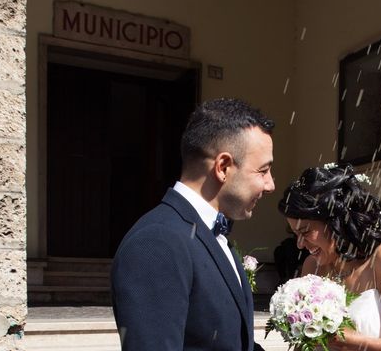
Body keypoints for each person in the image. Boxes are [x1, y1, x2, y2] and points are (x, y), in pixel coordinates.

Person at [111, 98, 275, 351]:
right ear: (223, 167)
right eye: (263, 171)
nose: (270, 184)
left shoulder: (207, 232)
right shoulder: (157, 242)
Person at [279, 164, 381, 350]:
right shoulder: (311, 267)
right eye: (295, 234)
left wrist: (351, 340)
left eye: (305, 231)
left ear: (334, 220)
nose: (299, 244)